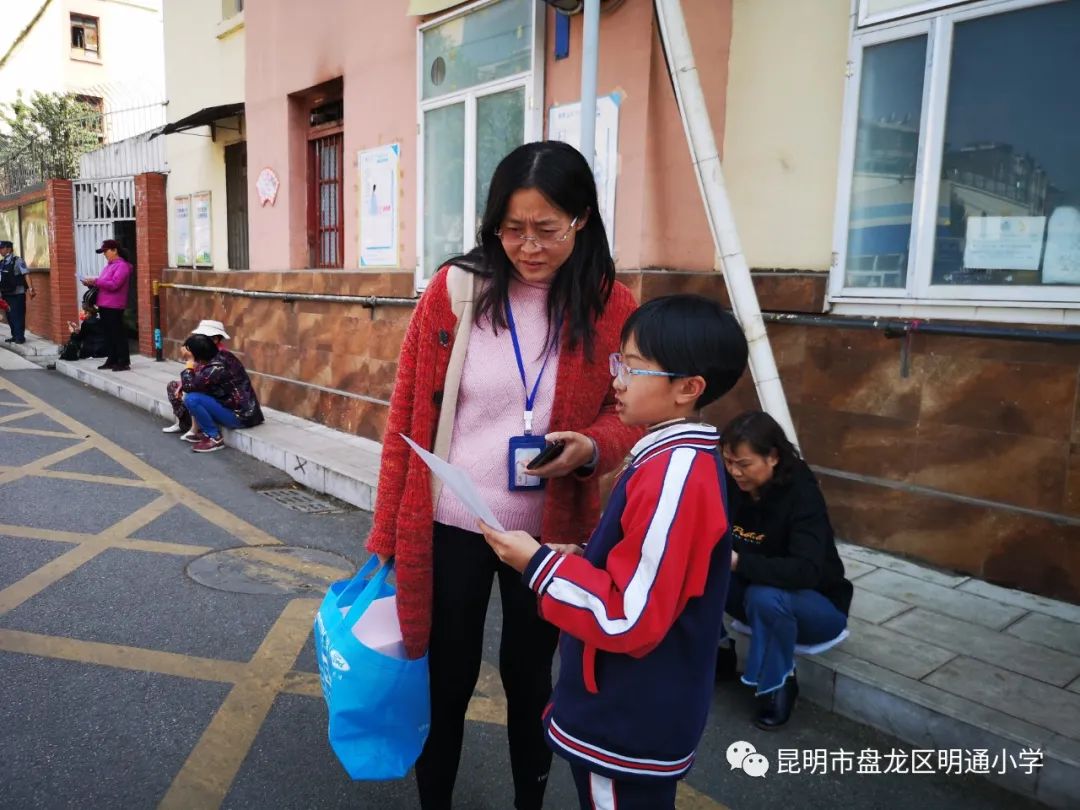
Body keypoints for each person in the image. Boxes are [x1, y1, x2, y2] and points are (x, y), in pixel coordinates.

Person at [367, 140, 642, 810]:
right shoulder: (457, 288)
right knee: (446, 677)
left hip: (549, 539)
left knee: (532, 682)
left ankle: (531, 801)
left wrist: (592, 447)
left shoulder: (613, 306)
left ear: (582, 219)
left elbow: (628, 409)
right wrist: (385, 538)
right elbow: (407, 411)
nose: (528, 246)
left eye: (547, 229)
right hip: (453, 525)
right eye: (511, 229)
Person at [481, 294, 749, 810]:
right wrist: (579, 553)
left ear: (688, 389)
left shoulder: (674, 475)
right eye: (618, 362)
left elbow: (630, 615)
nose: (617, 380)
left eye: (635, 368)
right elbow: (651, 564)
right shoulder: (669, 458)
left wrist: (537, 565)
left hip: (629, 715)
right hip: (631, 707)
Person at [716, 410, 853, 730]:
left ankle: (778, 682)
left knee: (766, 596)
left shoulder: (802, 495)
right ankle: (719, 654)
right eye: (728, 462)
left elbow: (805, 570)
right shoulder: (731, 481)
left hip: (817, 608)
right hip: (753, 592)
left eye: (744, 464)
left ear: (773, 457)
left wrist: (740, 562)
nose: (734, 472)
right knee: (698, 568)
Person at [178, 333, 264, 453]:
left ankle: (214, 438)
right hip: (248, 411)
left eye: (189, 352)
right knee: (195, 395)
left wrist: (189, 362)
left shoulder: (215, 368)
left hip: (241, 416)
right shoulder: (223, 355)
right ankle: (202, 431)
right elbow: (200, 383)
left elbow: (189, 386)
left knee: (191, 398)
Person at [162, 319, 232, 438]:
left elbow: (199, 382)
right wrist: (183, 383)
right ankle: (183, 423)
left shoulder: (219, 356)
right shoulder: (204, 350)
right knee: (173, 386)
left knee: (192, 393)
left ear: (215, 339)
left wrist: (190, 362)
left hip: (218, 395)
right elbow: (194, 373)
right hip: (203, 384)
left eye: (202, 337)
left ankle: (196, 429)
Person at [83, 239, 133, 371]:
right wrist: (92, 283)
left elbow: (115, 284)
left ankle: (123, 361)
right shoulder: (109, 266)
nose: (104, 254)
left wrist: (97, 281)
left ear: (115, 250)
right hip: (104, 304)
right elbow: (103, 283)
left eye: (106, 251)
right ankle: (112, 359)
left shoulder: (122, 266)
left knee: (117, 333)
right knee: (108, 334)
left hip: (114, 305)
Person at [0, 239, 36, 345]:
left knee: (18, 315)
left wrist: (31, 289)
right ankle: (14, 335)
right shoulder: (2, 263)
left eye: (2, 248)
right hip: (6, 293)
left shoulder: (18, 261)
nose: (0, 251)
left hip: (17, 293)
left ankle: (20, 337)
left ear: (9, 249)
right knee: (10, 315)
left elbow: (26, 274)